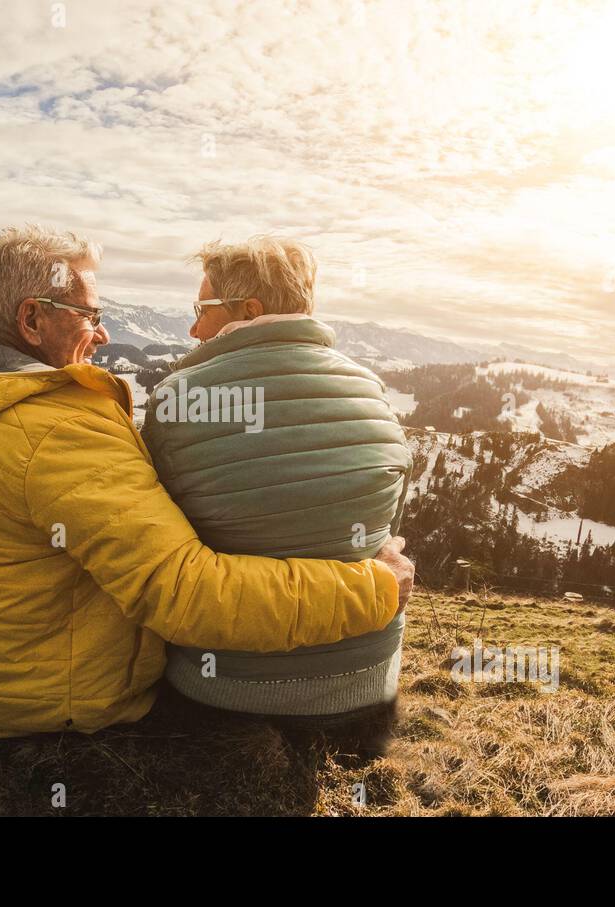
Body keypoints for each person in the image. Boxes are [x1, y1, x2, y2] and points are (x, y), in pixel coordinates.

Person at [0, 225, 414, 737]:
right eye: (90, 315)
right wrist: (377, 587)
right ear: (33, 321)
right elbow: (187, 594)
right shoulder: (58, 434)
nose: (104, 333)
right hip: (29, 699)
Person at [141, 236, 412, 744]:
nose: (193, 327)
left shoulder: (179, 401)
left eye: (201, 309)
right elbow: (388, 530)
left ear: (249, 310)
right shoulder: (373, 392)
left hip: (223, 690)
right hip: (366, 686)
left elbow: (159, 545)